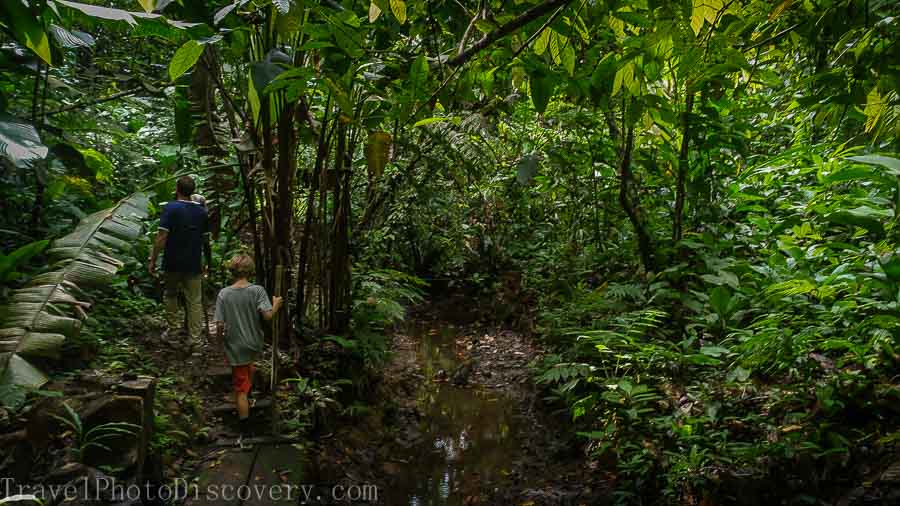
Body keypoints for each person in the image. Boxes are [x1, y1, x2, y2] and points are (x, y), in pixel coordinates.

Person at [213, 254, 282, 437]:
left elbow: (219, 324)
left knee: (240, 388)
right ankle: (248, 390)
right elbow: (268, 316)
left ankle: (244, 426)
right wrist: (276, 305)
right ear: (250, 271)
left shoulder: (224, 294)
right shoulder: (257, 290)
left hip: (235, 344)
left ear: (232, 272)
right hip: (254, 343)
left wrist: (220, 343)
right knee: (248, 366)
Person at [148, 176, 211, 345]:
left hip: (172, 262)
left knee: (170, 294)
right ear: (193, 191)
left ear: (177, 189)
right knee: (194, 301)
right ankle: (195, 340)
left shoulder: (171, 208)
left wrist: (153, 259)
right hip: (193, 262)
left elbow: (161, 237)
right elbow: (206, 240)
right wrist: (207, 262)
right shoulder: (201, 212)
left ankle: (173, 330)